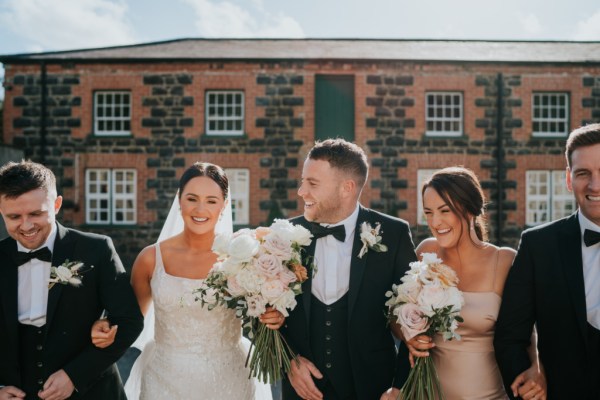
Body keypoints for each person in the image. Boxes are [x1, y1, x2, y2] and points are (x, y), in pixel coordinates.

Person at [92, 162, 278, 400]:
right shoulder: (150, 259)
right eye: (192, 198)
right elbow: (128, 321)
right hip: (164, 378)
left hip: (228, 380)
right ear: (179, 200)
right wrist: (103, 325)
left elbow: (263, 315)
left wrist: (272, 316)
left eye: (211, 201)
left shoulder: (242, 257)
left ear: (224, 205)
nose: (200, 209)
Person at [279, 139, 418, 400]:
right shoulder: (284, 236)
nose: (301, 191)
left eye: (312, 183)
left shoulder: (393, 234)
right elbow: (257, 313)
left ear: (347, 188)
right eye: (303, 181)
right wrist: (287, 362)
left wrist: (401, 386)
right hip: (303, 394)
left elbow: (417, 319)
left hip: (375, 391)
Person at [398, 166, 546, 400]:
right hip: (426, 394)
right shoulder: (425, 253)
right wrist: (409, 335)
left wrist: (538, 365)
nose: (435, 222)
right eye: (428, 212)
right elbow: (400, 316)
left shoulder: (504, 260)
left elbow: (528, 327)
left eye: (444, 210)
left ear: (470, 210)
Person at [0, 160, 143, 400]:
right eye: (14, 216)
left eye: (36, 213)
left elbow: (129, 321)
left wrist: (75, 376)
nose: (26, 226)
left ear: (56, 205)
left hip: (91, 393)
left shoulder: (96, 249)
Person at [495, 123, 600, 399]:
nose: (594, 185)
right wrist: (528, 383)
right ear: (569, 179)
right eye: (583, 173)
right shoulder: (538, 245)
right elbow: (510, 338)